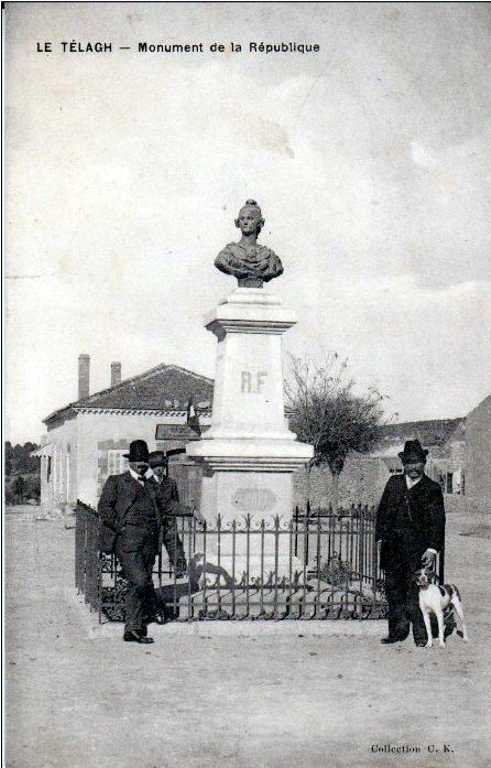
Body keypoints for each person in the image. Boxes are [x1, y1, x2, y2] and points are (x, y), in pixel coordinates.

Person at [98, 440, 186, 644]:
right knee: (140, 581)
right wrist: (120, 528)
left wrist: (191, 511)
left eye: (144, 461)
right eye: (137, 461)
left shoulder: (151, 485)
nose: (141, 464)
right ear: (130, 462)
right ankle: (153, 609)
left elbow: (167, 506)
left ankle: (132, 629)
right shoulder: (117, 481)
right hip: (127, 544)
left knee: (135, 585)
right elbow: (104, 508)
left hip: (149, 544)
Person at [375, 439, 445, 647]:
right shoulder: (394, 483)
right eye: (409, 462)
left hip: (418, 550)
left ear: (424, 463)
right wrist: (380, 537)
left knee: (417, 592)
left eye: (418, 462)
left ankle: (421, 635)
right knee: (393, 590)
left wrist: (432, 548)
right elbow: (382, 512)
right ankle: (397, 631)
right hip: (393, 548)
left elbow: (438, 521)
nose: (413, 467)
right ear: (403, 463)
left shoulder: (431, 488)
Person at [214, 199, 283, 287]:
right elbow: (220, 262)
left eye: (250, 218)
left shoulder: (269, 256)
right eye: (242, 219)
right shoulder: (229, 251)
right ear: (238, 223)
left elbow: (277, 269)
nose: (245, 222)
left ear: (260, 223)